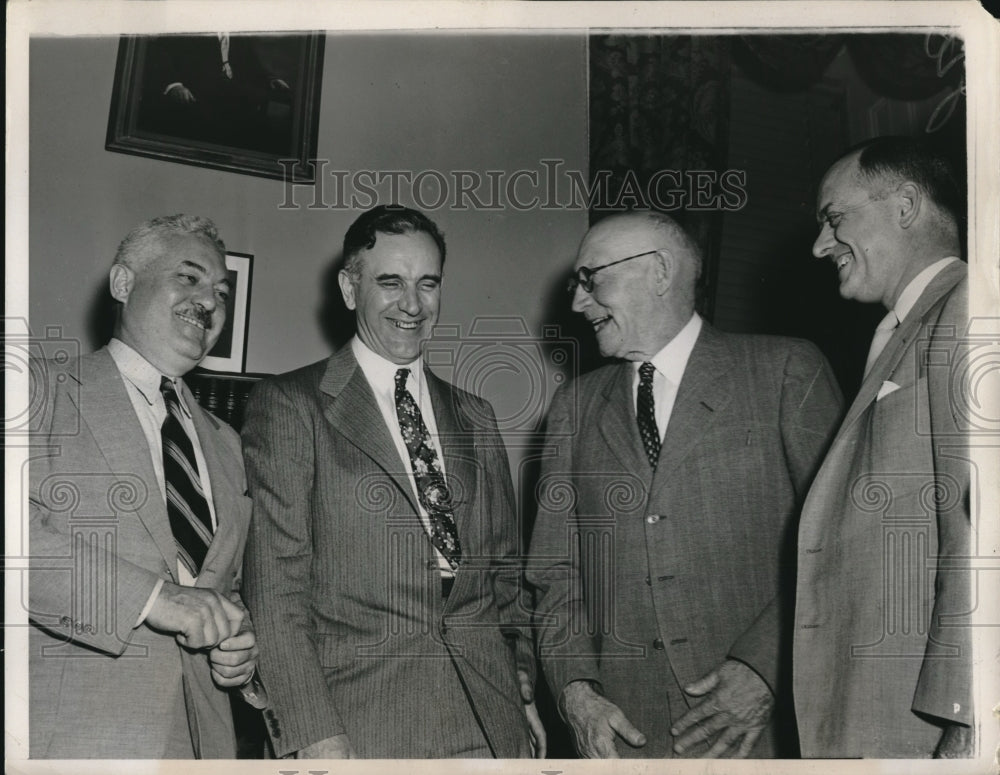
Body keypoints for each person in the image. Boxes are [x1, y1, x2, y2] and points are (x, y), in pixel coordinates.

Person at [527, 210, 843, 758]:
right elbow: (554, 573)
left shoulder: (786, 370)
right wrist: (577, 693)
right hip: (625, 736)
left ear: (660, 272)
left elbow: (838, 545)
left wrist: (763, 670)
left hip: (756, 732)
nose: (578, 302)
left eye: (592, 279)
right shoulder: (572, 408)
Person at [241, 205, 544, 759]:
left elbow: (505, 575)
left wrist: (520, 685)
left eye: (427, 284)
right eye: (390, 282)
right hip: (359, 726)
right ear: (350, 288)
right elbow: (276, 591)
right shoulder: (290, 406)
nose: (412, 304)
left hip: (489, 722)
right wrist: (311, 733)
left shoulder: (476, 414)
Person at [28, 214, 259, 758]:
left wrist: (242, 651)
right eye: (189, 277)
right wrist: (155, 599)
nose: (210, 301)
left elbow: (223, 593)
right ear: (123, 283)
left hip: (204, 744)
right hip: (72, 739)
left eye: (222, 292)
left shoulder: (228, 444)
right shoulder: (37, 391)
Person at [794, 136, 972, 758]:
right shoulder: (900, 330)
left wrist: (968, 721)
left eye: (834, 219)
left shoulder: (969, 308)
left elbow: (986, 533)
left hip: (925, 728)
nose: (820, 245)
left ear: (904, 205)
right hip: (873, 715)